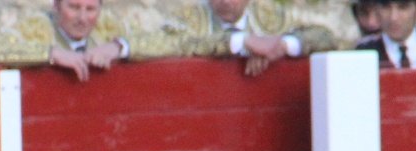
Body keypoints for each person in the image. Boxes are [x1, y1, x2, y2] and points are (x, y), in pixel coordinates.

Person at [123, 0, 338, 77]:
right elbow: (168, 42)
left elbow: (326, 36)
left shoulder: (269, 17)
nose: (225, 1)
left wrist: (281, 46)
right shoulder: (189, 17)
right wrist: (243, 42)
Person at [0, 0, 130, 81]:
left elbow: (154, 38)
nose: (83, 18)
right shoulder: (35, 28)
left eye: (90, 9)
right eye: (74, 7)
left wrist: (119, 47)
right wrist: (51, 54)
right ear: (56, 6)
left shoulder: (108, 28)